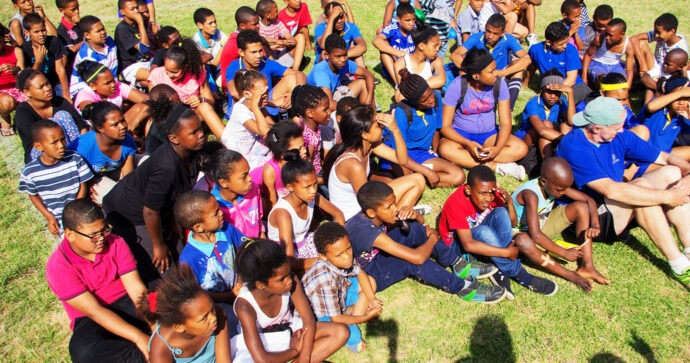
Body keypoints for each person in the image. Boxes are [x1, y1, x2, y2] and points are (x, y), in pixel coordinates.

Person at [555, 96, 690, 285]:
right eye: (617, 127)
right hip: (588, 218)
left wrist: (686, 176)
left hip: (614, 206)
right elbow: (611, 191)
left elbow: (665, 158)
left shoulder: (618, 135)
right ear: (596, 128)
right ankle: (679, 265)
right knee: (640, 190)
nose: (622, 130)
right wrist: (669, 196)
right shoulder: (575, 147)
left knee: (672, 173)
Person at [346, 181, 505, 302]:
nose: (395, 208)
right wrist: (433, 238)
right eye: (389, 206)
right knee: (409, 262)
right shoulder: (365, 231)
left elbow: (419, 225)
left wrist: (415, 216)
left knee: (411, 228)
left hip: (378, 253)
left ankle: (457, 264)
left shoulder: (377, 214)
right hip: (368, 272)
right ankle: (462, 288)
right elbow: (418, 258)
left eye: (394, 202)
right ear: (371, 212)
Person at [103, 104, 205, 286]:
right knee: (168, 272)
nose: (201, 135)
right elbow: (150, 211)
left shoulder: (193, 153)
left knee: (187, 261)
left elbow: (178, 193)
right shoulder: (167, 167)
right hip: (130, 214)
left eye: (201, 129)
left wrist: (174, 221)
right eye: (194, 132)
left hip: (159, 210)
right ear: (174, 138)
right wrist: (158, 245)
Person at [45, 199, 150, 362]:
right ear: (70, 234)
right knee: (83, 351)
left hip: (127, 300)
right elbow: (95, 311)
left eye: (104, 230)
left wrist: (153, 323)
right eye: (93, 235)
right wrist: (138, 337)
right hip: (92, 318)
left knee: (171, 299)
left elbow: (136, 289)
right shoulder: (58, 266)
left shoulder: (116, 242)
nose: (101, 238)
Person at [438, 165, 563, 297]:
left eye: (491, 193)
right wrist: (506, 252)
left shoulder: (491, 194)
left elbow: (512, 223)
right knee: (484, 231)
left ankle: (499, 266)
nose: (488, 198)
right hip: (457, 247)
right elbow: (468, 244)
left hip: (481, 239)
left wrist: (509, 201)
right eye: (483, 194)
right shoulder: (456, 203)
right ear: (469, 190)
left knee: (501, 212)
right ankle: (522, 276)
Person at [231, 239, 349, 362]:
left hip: (291, 332)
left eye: (288, 274)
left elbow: (308, 320)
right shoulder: (244, 306)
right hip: (261, 344)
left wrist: (305, 357)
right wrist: (295, 350)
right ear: (260, 285)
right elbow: (262, 359)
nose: (289, 280)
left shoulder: (290, 280)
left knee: (341, 332)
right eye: (282, 279)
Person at [512, 157, 610, 286]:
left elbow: (589, 201)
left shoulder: (556, 185)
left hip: (540, 226)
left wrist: (595, 225)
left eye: (565, 189)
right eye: (559, 190)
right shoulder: (531, 194)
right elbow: (535, 235)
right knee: (523, 240)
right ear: (543, 181)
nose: (563, 193)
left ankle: (588, 266)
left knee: (581, 207)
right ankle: (570, 275)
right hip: (521, 236)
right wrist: (564, 252)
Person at [323, 104, 425, 221]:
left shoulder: (369, 147)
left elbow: (402, 160)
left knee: (418, 180)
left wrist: (395, 130)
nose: (382, 127)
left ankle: (400, 216)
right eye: (377, 125)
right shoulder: (352, 164)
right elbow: (368, 203)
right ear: (365, 135)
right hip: (355, 219)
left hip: (365, 205)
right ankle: (397, 219)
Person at [438, 48, 528, 179]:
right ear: (476, 76)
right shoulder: (457, 86)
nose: (495, 74)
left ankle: (469, 161)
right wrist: (467, 143)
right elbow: (445, 126)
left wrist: (497, 148)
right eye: (491, 71)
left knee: (520, 148)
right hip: (461, 135)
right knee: (445, 149)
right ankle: (495, 166)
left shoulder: (499, 84)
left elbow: (506, 123)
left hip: (489, 134)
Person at [175, 190, 246, 337]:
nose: (221, 214)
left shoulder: (227, 229)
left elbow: (244, 250)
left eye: (219, 209)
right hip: (217, 304)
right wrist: (229, 294)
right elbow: (196, 294)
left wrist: (242, 279)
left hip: (242, 288)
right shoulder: (188, 259)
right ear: (198, 227)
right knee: (231, 323)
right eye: (215, 213)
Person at [302, 222, 382, 353]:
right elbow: (336, 319)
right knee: (356, 341)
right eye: (339, 255)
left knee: (370, 282)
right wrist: (366, 318)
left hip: (340, 294)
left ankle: (352, 316)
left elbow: (360, 273)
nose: (347, 257)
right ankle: (353, 319)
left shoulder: (344, 254)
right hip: (323, 315)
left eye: (349, 249)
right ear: (323, 256)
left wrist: (372, 299)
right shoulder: (324, 281)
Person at [384, 69, 465, 188]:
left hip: (422, 154)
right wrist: (426, 171)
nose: (431, 100)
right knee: (407, 177)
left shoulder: (436, 98)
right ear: (413, 102)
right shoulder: (402, 112)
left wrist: (437, 155)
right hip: (401, 154)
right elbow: (398, 153)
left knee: (458, 176)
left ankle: (420, 176)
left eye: (430, 94)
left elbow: (437, 130)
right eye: (425, 100)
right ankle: (421, 175)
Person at [137, 264, 231, 363]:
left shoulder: (218, 314)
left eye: (212, 309)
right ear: (179, 327)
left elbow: (224, 360)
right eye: (203, 318)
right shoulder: (161, 348)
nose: (213, 318)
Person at [267, 158, 345, 273]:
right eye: (307, 187)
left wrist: (338, 242)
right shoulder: (283, 213)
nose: (313, 190)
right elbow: (289, 260)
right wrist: (327, 259)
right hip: (286, 255)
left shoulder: (312, 196)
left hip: (306, 243)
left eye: (315, 184)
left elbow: (338, 214)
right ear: (290, 187)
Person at [19, 120, 93, 234]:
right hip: (59, 219)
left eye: (63, 139)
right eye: (54, 142)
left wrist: (76, 211)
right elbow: (33, 195)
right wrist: (49, 216)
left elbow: (83, 185)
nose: (61, 145)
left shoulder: (75, 159)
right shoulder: (30, 172)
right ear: (38, 146)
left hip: (80, 210)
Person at [449, 14, 531, 109]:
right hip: (478, 76)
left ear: (503, 33)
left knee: (518, 69)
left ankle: (508, 108)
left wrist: (502, 72)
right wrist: (474, 72)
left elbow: (526, 59)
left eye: (495, 33)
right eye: (488, 31)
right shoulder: (477, 37)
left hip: (499, 76)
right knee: (462, 70)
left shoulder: (509, 39)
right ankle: (465, 101)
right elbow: (454, 55)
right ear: (485, 28)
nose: (490, 36)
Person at [147, 38, 225, 138]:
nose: (170, 75)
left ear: (186, 67)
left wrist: (201, 99)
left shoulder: (197, 74)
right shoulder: (156, 75)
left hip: (192, 117)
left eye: (175, 72)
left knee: (204, 107)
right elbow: (154, 106)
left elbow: (211, 101)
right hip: (166, 119)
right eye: (167, 70)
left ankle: (226, 138)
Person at [225, 30, 305, 119]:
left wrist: (294, 93)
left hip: (267, 104)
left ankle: (299, 125)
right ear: (241, 52)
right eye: (253, 52)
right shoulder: (234, 67)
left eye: (260, 51)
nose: (258, 55)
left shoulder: (264, 61)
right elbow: (234, 93)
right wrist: (273, 103)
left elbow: (299, 74)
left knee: (291, 79)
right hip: (246, 110)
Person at [15, 69, 88, 163]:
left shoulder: (60, 102)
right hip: (42, 156)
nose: (47, 88)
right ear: (27, 92)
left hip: (71, 149)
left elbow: (82, 126)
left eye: (47, 83)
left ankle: (76, 159)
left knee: (62, 116)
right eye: (41, 87)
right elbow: (34, 142)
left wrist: (84, 146)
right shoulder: (23, 112)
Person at [69, 102, 136, 204]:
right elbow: (70, 172)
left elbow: (129, 177)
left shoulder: (127, 141)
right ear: (100, 128)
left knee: (147, 162)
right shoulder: (83, 147)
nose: (122, 126)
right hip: (91, 180)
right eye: (115, 124)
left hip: (115, 172)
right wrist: (86, 185)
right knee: (115, 197)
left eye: (123, 121)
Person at [196, 149, 265, 239]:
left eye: (248, 172)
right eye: (244, 176)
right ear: (223, 182)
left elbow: (259, 217)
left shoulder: (253, 189)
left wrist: (261, 234)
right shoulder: (213, 206)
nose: (250, 179)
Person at [631, 77, 690, 177]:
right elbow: (651, 107)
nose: (681, 103)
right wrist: (681, 93)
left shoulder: (681, 116)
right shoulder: (658, 108)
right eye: (677, 98)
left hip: (660, 158)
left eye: (686, 99)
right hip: (637, 160)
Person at [74, 61, 149, 133]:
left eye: (113, 80)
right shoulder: (84, 95)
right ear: (93, 86)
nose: (113, 85)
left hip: (120, 125)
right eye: (107, 83)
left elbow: (149, 100)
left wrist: (135, 122)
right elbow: (96, 116)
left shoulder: (118, 86)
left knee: (143, 107)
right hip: (101, 133)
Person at [515, 70, 575, 158]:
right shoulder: (533, 103)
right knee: (546, 125)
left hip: (551, 137)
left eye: (557, 93)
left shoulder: (561, 101)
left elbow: (571, 122)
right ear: (542, 90)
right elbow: (541, 131)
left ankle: (566, 159)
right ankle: (547, 162)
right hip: (529, 139)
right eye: (549, 92)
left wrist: (570, 93)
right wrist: (567, 140)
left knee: (566, 126)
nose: (553, 96)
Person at [221, 70, 273, 170]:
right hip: (236, 151)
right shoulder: (240, 110)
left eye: (266, 92)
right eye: (262, 95)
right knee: (264, 167)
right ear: (247, 94)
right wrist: (255, 106)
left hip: (251, 144)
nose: (266, 97)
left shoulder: (256, 103)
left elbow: (271, 125)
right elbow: (264, 131)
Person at [307, 34, 374, 111]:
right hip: (320, 106)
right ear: (326, 55)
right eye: (338, 56)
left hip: (334, 97)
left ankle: (372, 118)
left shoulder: (344, 63)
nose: (343, 59)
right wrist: (355, 110)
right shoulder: (322, 72)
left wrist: (369, 99)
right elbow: (329, 104)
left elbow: (368, 74)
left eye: (345, 55)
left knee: (363, 83)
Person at [21, 13, 70, 100]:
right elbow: (28, 79)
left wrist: (66, 94)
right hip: (37, 86)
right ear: (27, 32)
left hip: (55, 82)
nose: (41, 34)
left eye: (43, 30)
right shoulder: (24, 49)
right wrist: (38, 61)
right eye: (36, 32)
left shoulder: (54, 42)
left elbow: (60, 69)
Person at [263, 120, 308, 211]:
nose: (304, 151)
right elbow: (272, 206)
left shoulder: (300, 160)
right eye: (299, 149)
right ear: (282, 154)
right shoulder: (270, 172)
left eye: (304, 146)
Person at [69, 15, 118, 97]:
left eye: (103, 29)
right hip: (88, 91)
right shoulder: (87, 57)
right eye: (98, 31)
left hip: (110, 85)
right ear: (87, 35)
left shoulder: (109, 41)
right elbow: (94, 85)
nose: (103, 33)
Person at [631, 13, 688, 82]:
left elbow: (681, 70)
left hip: (665, 72)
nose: (656, 35)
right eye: (655, 31)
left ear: (671, 32)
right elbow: (633, 39)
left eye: (658, 32)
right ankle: (642, 76)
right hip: (655, 66)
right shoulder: (659, 35)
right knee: (640, 43)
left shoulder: (680, 49)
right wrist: (642, 63)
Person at [392, 23, 445, 94]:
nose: (438, 49)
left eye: (439, 46)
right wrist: (430, 82)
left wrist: (414, 87)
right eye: (435, 46)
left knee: (437, 91)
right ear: (421, 46)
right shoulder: (401, 63)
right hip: (410, 101)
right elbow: (405, 90)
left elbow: (441, 80)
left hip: (427, 101)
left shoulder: (436, 60)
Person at [582, 18, 635, 88]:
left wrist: (627, 87)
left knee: (620, 82)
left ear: (622, 34)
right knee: (604, 79)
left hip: (615, 66)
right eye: (606, 33)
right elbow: (588, 55)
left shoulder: (628, 45)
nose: (607, 37)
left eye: (611, 35)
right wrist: (584, 76)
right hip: (597, 64)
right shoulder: (599, 38)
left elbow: (629, 70)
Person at [291, 85, 330, 178]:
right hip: (316, 175)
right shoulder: (309, 139)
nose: (329, 111)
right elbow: (307, 167)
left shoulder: (304, 122)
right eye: (325, 109)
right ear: (310, 113)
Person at [218, 7, 260, 89]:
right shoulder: (237, 42)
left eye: (258, 22)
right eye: (255, 24)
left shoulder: (240, 37)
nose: (258, 26)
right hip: (235, 86)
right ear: (242, 26)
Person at [373, 3, 416, 82]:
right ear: (398, 19)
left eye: (413, 19)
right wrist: (399, 53)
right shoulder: (393, 29)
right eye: (408, 20)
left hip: (412, 65)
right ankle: (399, 83)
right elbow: (376, 41)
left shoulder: (416, 29)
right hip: (395, 66)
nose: (412, 23)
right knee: (384, 52)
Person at [257, 0, 305, 70]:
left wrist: (277, 45)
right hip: (267, 60)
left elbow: (292, 41)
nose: (278, 13)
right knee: (264, 45)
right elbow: (262, 42)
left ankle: (295, 70)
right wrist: (281, 42)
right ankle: (275, 69)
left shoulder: (278, 23)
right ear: (267, 15)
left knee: (300, 37)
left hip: (280, 55)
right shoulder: (258, 27)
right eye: (276, 11)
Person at [115, 0, 152, 88]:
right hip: (131, 66)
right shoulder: (122, 29)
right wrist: (140, 23)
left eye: (136, 7)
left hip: (146, 61)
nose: (136, 11)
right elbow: (145, 49)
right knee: (155, 77)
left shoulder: (137, 24)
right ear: (122, 12)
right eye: (132, 9)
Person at [0, 24, 25, 136]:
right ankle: (4, 116)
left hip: (16, 88)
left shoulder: (15, 51)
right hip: (1, 92)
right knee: (7, 102)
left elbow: (24, 75)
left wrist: (15, 70)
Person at [55, 0, 82, 74]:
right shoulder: (62, 30)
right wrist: (88, 39)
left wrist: (81, 24)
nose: (77, 12)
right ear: (61, 10)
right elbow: (71, 50)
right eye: (73, 10)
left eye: (77, 8)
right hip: (75, 68)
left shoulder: (80, 23)